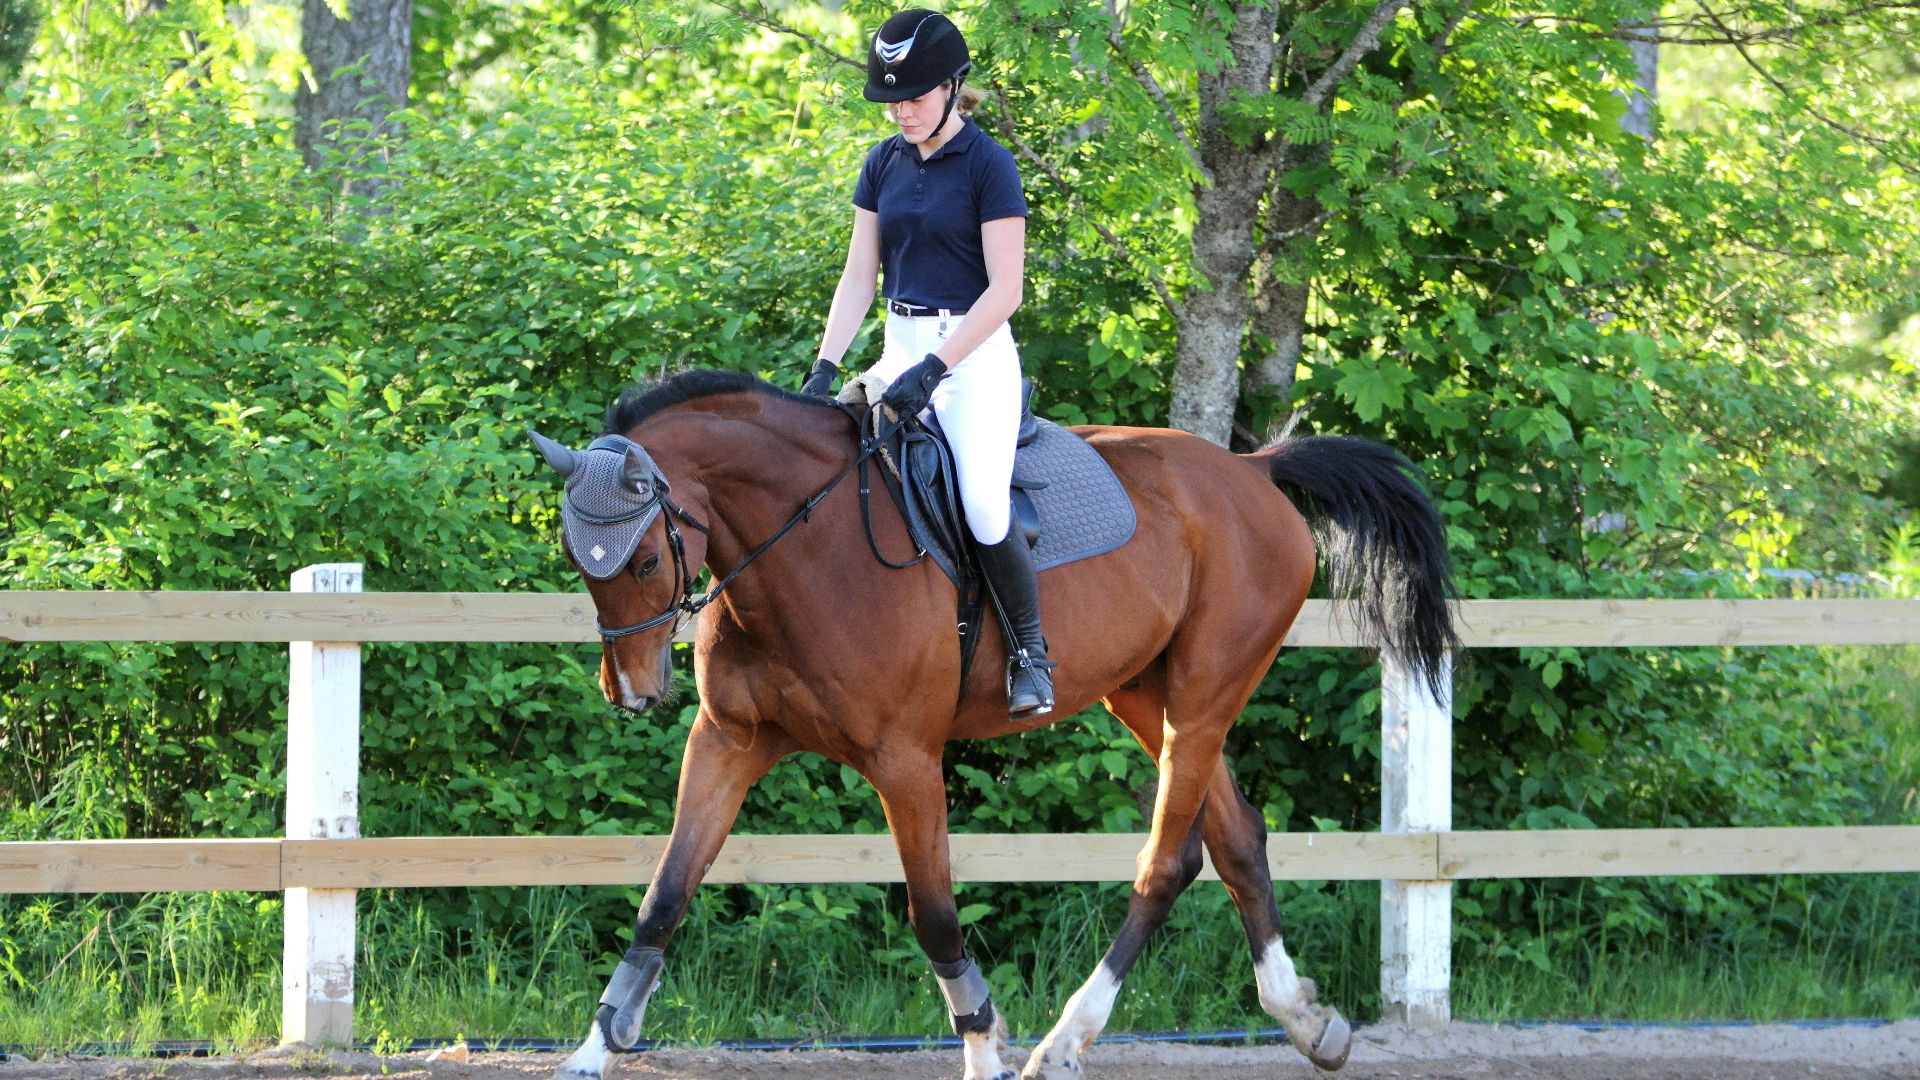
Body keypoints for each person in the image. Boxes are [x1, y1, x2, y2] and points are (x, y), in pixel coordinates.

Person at [801, 7, 1053, 719]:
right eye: (892, 102)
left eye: (913, 98)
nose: (902, 113)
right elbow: (859, 277)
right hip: (899, 346)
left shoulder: (988, 165)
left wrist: (938, 368)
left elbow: (1007, 291)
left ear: (951, 88)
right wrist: (826, 364)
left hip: (971, 358)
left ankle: (1031, 652)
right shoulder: (881, 163)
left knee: (978, 500)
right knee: (823, 467)